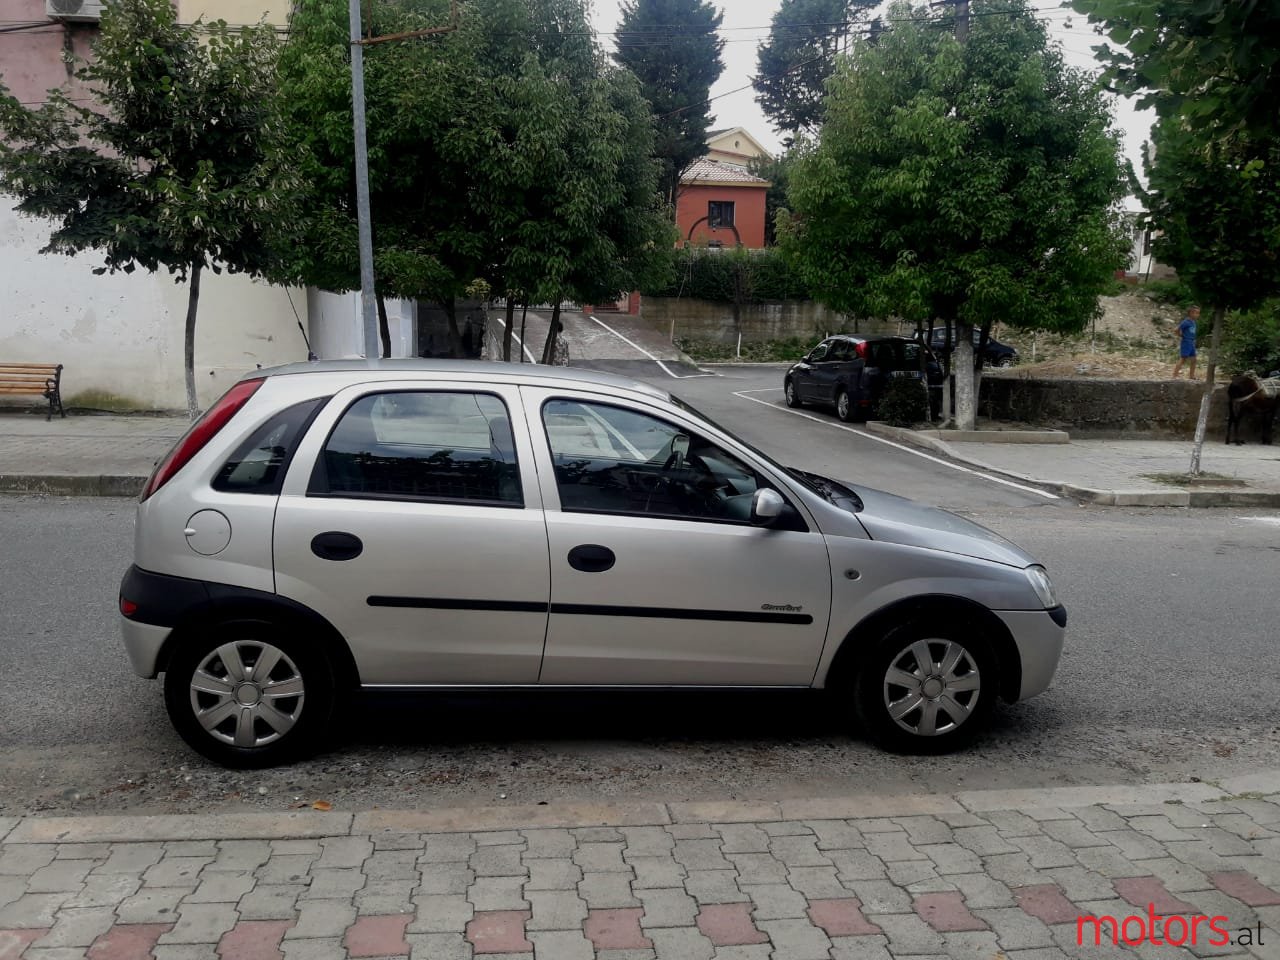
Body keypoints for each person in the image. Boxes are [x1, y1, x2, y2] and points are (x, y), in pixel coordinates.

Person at [1173, 305, 1200, 379]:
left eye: (1198, 313)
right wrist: (1181, 335)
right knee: (1183, 358)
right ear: (1191, 313)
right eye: (1196, 313)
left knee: (1194, 359)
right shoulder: (1186, 322)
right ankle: (1175, 376)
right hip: (1186, 342)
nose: (1198, 315)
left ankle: (1191, 376)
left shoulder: (1193, 322)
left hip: (1191, 342)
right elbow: (1176, 330)